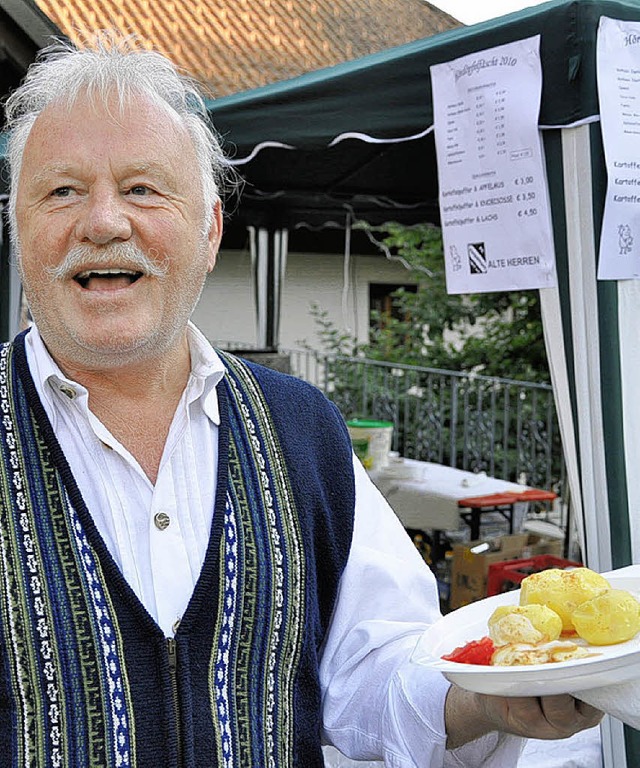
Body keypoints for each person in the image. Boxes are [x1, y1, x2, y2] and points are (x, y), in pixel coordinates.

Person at [0, 35, 602, 767]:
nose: (102, 221)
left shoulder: (301, 428)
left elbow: (375, 667)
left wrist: (485, 697)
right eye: (61, 190)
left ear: (210, 228)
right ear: (18, 227)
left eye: (142, 189)